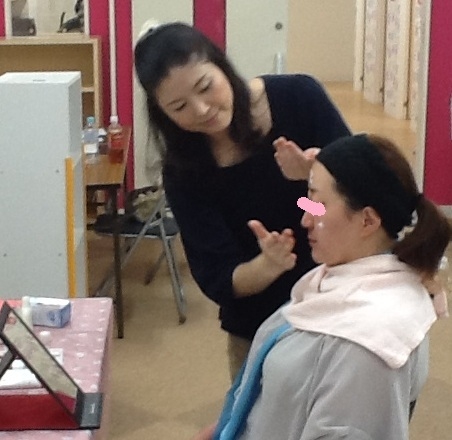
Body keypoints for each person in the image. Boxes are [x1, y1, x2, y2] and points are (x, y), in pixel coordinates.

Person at [190, 133, 451, 440]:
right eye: (307, 199)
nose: (305, 219)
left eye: (317, 204)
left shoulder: (364, 347)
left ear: (368, 221)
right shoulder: (342, 281)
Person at [134, 21, 351, 379]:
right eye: (179, 106)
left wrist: (313, 176)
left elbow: (362, 192)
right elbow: (219, 276)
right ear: (163, 114)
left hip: (340, 301)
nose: (201, 109)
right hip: (261, 324)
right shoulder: (185, 170)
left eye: (206, 87)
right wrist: (268, 264)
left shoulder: (298, 96)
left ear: (222, 65)